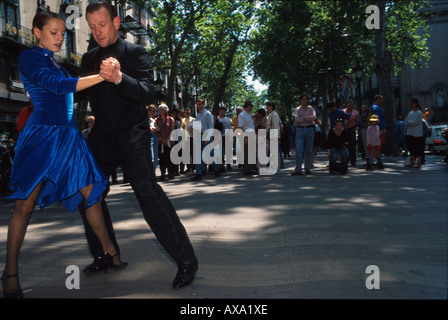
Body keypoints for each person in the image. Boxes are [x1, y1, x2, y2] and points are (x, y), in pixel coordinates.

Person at [2, 10, 126, 299]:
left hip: (68, 138)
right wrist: (102, 76)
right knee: (25, 205)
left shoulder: (56, 64)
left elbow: (68, 90)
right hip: (42, 138)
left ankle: (111, 252)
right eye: (53, 32)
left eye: (62, 33)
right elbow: (58, 88)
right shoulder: (30, 58)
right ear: (37, 32)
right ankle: (10, 273)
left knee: (92, 193)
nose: (60, 38)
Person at [79, 1, 197, 288]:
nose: (97, 31)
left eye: (102, 24)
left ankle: (186, 260)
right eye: (92, 26)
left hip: (133, 135)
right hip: (102, 137)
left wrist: (119, 77)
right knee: (87, 193)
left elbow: (147, 94)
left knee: (147, 193)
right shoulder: (87, 58)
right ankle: (107, 254)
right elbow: (79, 97)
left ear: (117, 23)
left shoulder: (137, 53)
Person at [190, 99, 221, 180]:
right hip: (199, 136)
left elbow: (211, 126)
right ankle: (198, 173)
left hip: (206, 135)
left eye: (200, 104)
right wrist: (193, 127)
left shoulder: (208, 114)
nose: (199, 106)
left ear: (203, 104)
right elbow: (198, 126)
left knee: (209, 155)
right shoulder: (198, 115)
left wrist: (208, 137)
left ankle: (217, 169)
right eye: (197, 104)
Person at [291, 94, 316, 175]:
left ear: (308, 100)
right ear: (300, 101)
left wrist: (303, 119)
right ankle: (298, 169)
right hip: (300, 130)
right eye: (302, 99)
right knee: (299, 150)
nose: (304, 101)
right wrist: (308, 118)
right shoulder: (297, 109)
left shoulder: (311, 108)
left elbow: (314, 117)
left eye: (305, 99)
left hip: (310, 130)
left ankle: (307, 168)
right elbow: (296, 120)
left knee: (308, 150)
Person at [404, 99, 425, 168]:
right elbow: (406, 121)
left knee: (418, 148)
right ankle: (412, 162)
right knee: (411, 148)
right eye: (410, 104)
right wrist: (409, 122)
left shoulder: (419, 113)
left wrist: (409, 123)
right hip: (410, 132)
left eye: (412, 104)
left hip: (417, 133)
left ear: (416, 104)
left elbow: (414, 122)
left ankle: (418, 162)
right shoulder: (410, 113)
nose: (411, 105)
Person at [238, 101, 257, 175]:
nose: (252, 108)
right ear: (248, 106)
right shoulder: (242, 115)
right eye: (251, 106)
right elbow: (240, 127)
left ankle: (251, 168)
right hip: (247, 135)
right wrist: (245, 137)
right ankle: (246, 169)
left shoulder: (248, 115)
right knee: (246, 153)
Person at [342, 100, 360, 166]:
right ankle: (345, 160)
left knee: (352, 145)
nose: (350, 106)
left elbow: (357, 122)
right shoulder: (343, 111)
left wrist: (352, 126)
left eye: (351, 105)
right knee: (344, 145)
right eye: (349, 104)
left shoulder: (356, 113)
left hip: (351, 130)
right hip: (343, 130)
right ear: (347, 105)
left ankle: (353, 161)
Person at [266, 102, 282, 171]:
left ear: (271, 106)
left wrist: (275, 137)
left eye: (267, 106)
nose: (266, 108)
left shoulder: (274, 115)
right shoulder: (270, 115)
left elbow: (275, 126)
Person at [217, 106, 232, 171]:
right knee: (220, 152)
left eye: (224, 111)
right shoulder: (217, 119)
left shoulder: (227, 120)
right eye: (221, 111)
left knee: (228, 151)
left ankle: (228, 164)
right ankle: (221, 166)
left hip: (226, 136)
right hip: (219, 137)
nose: (222, 112)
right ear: (219, 112)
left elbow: (229, 128)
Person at [181, 107, 195, 173]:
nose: (187, 114)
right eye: (186, 113)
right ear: (184, 113)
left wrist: (194, 128)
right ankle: (188, 167)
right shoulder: (182, 120)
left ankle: (193, 167)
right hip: (184, 138)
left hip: (191, 137)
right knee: (186, 154)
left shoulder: (193, 119)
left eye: (189, 113)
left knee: (192, 153)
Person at [147, 105, 160, 172]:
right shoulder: (144, 120)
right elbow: (149, 129)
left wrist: (153, 129)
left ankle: (153, 173)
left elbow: (158, 129)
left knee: (155, 158)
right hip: (149, 138)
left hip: (154, 137)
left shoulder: (153, 120)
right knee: (151, 157)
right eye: (150, 110)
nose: (151, 112)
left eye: (153, 111)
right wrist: (152, 129)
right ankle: (150, 174)